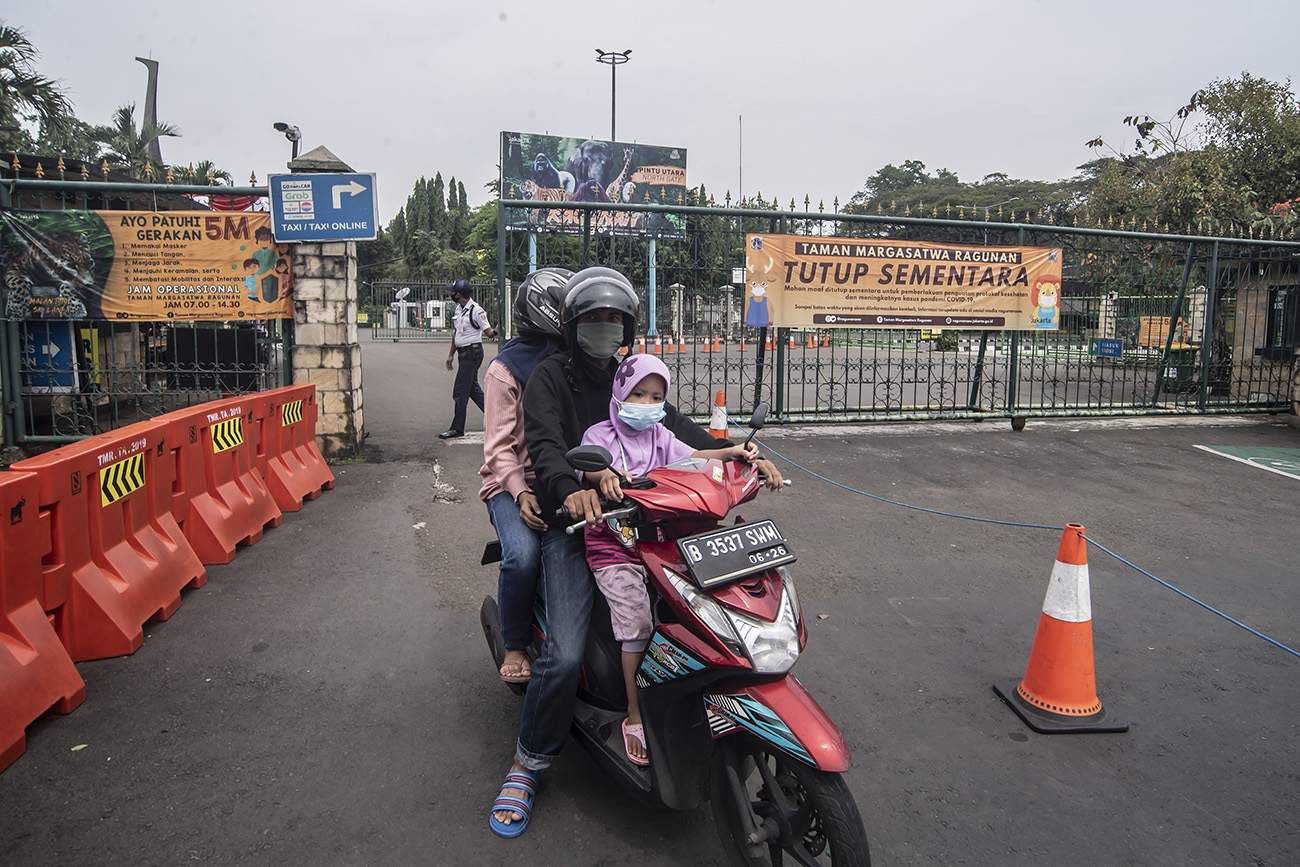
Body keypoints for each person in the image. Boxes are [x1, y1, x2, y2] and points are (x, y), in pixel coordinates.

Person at [489, 266, 783, 837]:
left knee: (703, 611)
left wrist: (737, 454)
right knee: (565, 653)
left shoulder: (631, 374)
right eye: (593, 318)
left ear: (626, 327)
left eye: (614, 319)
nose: (604, 327)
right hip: (582, 525)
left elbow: (682, 434)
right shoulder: (551, 376)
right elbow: (546, 446)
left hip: (650, 521)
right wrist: (569, 493)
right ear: (572, 325)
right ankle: (529, 762)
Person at [579, 354, 771, 765]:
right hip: (615, 548)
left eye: (656, 397)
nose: (647, 404)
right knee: (637, 624)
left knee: (706, 604)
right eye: (638, 394)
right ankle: (635, 713)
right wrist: (604, 475)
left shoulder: (660, 435)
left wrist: (735, 453)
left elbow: (697, 457)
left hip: (661, 542)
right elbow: (591, 467)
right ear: (619, 392)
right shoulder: (600, 435)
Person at [478, 267, 572, 685]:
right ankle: (515, 644)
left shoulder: (574, 360)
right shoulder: (505, 370)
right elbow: (498, 449)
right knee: (522, 557)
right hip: (508, 484)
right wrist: (519, 492)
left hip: (562, 479)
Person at [440, 279, 497, 439]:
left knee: (460, 392)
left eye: (452, 292)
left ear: (458, 294)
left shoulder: (476, 310)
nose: (451, 294)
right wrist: (451, 354)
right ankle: (497, 416)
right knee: (472, 389)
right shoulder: (459, 309)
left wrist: (497, 330)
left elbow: (488, 332)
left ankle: (457, 428)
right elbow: (456, 333)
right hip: (463, 353)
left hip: (472, 353)